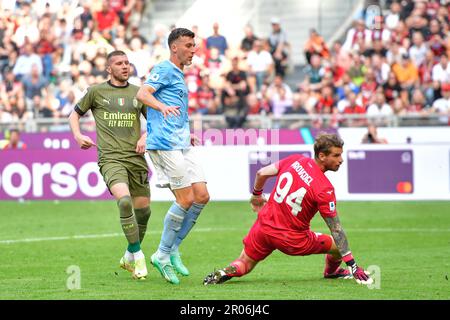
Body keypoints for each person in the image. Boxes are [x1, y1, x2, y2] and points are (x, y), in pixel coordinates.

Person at [204, 133, 373, 286]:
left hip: (264, 227)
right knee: (336, 246)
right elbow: (336, 229)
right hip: (292, 239)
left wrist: (256, 195)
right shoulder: (324, 189)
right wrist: (353, 265)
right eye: (336, 155)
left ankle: (225, 271)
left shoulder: (296, 160)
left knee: (245, 263)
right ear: (322, 156)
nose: (341, 160)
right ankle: (331, 272)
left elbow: (261, 173)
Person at [68, 50, 151, 280]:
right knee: (124, 202)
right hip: (111, 158)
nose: (125, 66)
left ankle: (129, 255)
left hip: (136, 159)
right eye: (119, 63)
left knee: (144, 212)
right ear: (109, 68)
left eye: (127, 63)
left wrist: (145, 136)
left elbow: (154, 121)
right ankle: (139, 255)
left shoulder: (139, 93)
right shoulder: (96, 91)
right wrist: (77, 135)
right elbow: (74, 115)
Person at [136, 28, 210, 285]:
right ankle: (161, 254)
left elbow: (174, 109)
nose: (193, 50)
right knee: (186, 198)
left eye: (194, 45)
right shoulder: (164, 68)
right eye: (189, 45)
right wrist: (161, 107)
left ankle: (173, 247)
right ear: (174, 47)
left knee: (202, 196)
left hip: (180, 142)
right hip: (164, 144)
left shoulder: (178, 74)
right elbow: (142, 94)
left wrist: (186, 132)